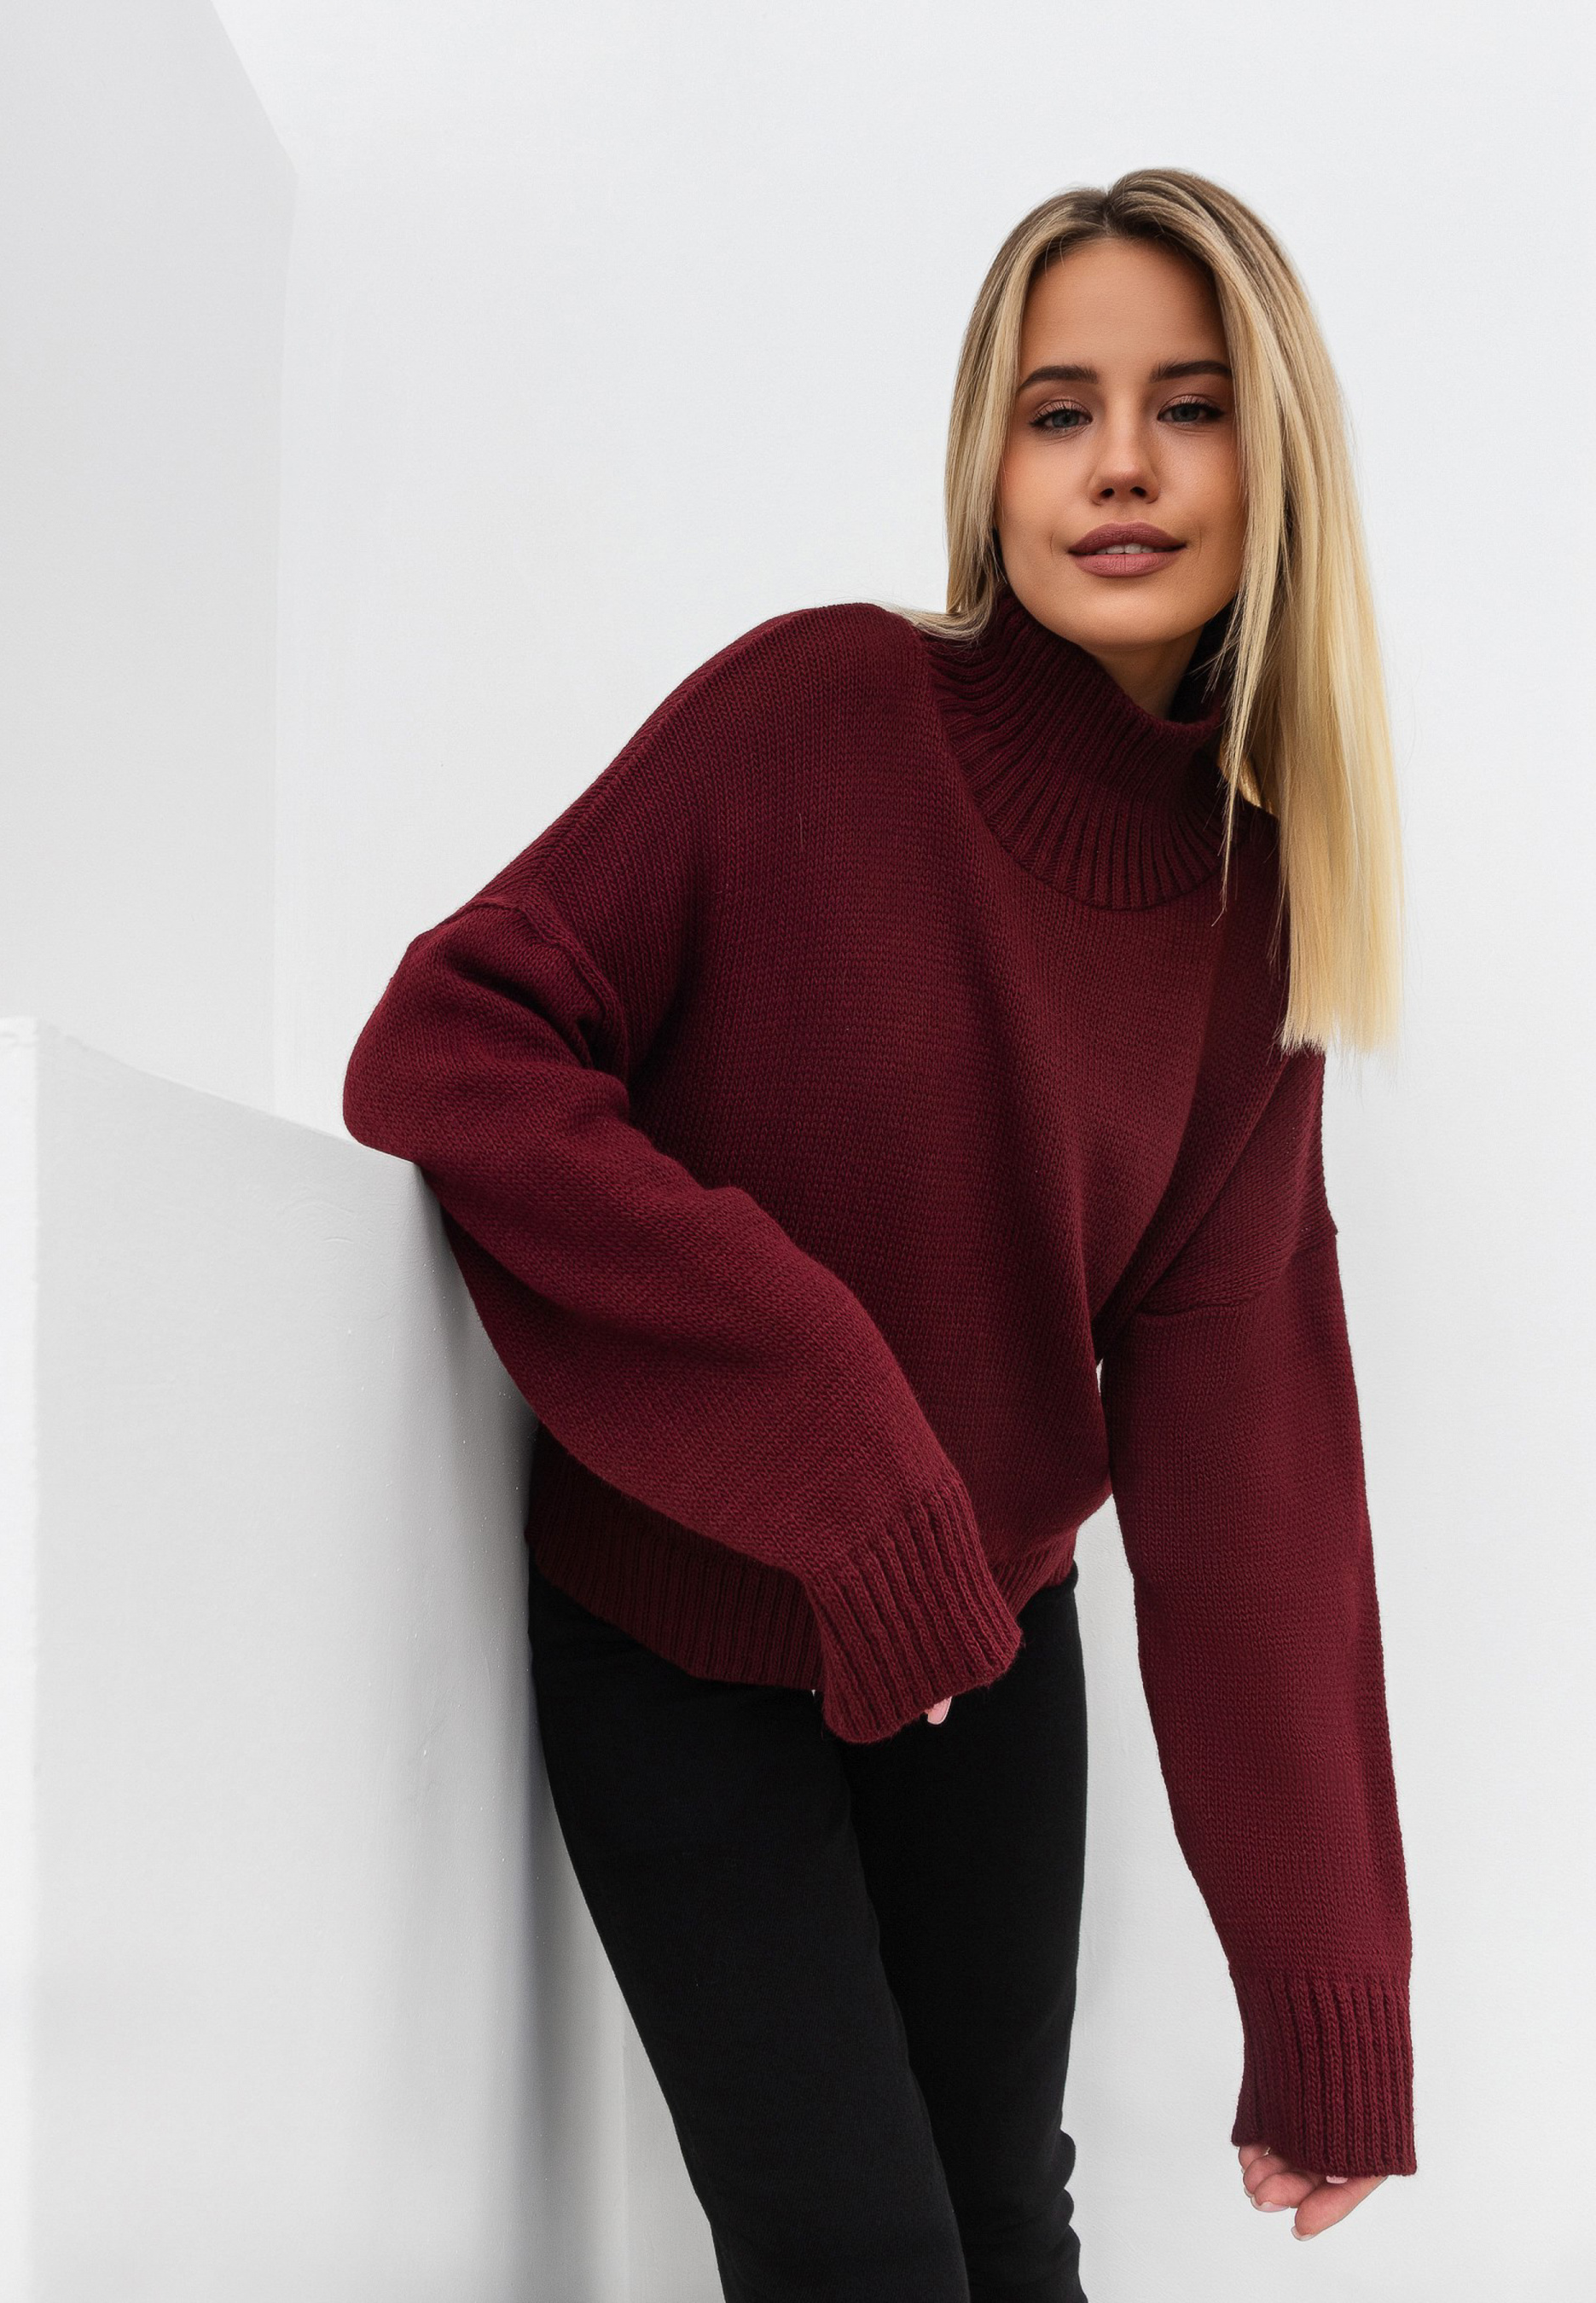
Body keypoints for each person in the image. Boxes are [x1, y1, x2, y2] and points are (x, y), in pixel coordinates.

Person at [341, 165, 1415, 2300]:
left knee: (1007, 2234)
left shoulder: (1249, 916)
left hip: (987, 1654)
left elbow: (1247, 1457)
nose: (1118, 465)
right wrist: (830, 1431)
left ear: (1273, 456)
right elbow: (450, 1042)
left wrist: (1326, 1992)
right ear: (987, 463)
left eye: (1187, 407)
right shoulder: (817, 714)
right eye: (1056, 410)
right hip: (682, 1631)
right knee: (858, 2257)